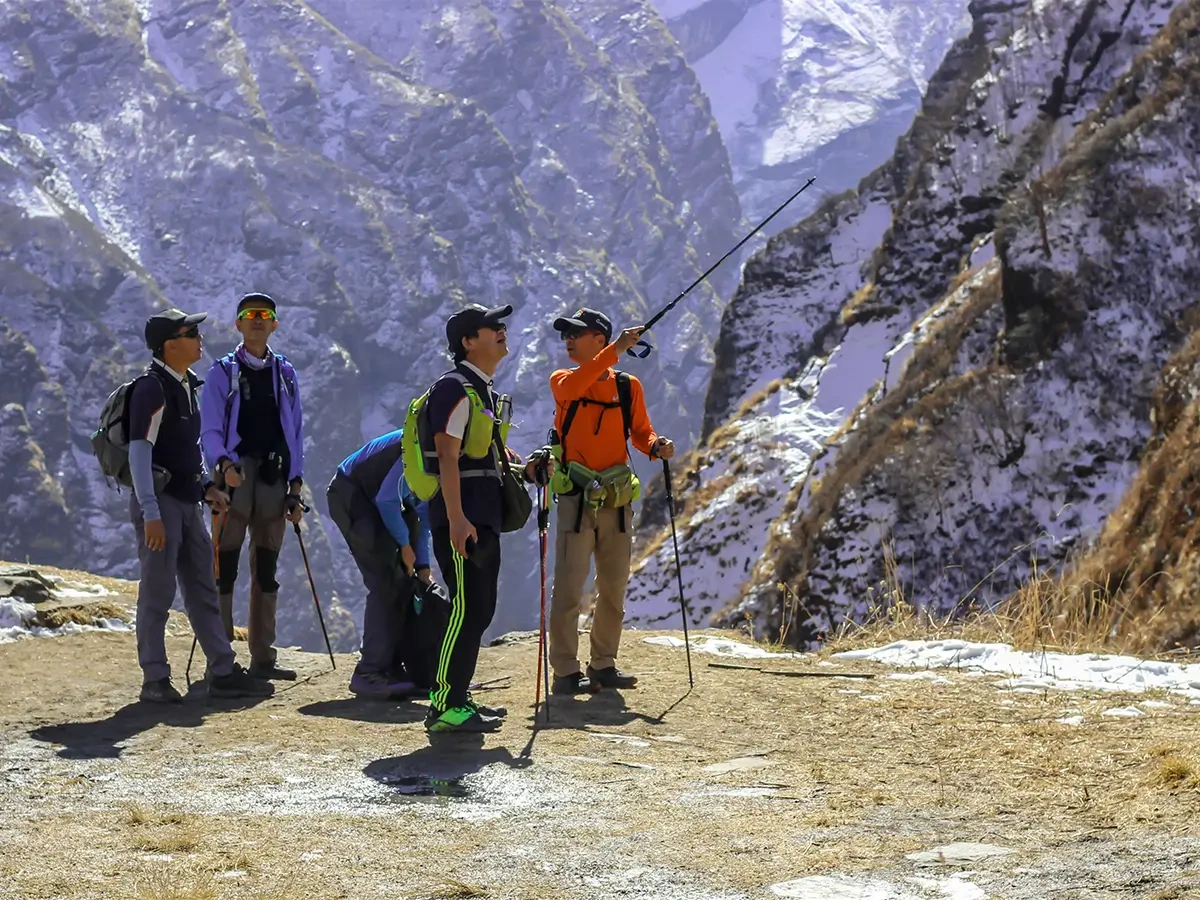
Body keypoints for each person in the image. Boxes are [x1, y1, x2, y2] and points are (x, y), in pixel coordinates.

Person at [128, 308, 275, 703]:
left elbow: (183, 450)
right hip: (159, 504)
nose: (199, 338)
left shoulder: (186, 385)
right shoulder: (151, 389)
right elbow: (139, 453)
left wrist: (206, 486)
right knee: (157, 592)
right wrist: (150, 513)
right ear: (170, 345)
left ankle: (223, 669)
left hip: (185, 501)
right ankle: (155, 680)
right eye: (191, 332)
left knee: (202, 588)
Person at [420, 303, 545, 733]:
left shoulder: (481, 390)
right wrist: (456, 519)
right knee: (466, 608)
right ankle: (444, 704)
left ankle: (458, 696)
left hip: (481, 517)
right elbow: (448, 456)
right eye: (493, 327)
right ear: (468, 341)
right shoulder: (454, 388)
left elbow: (489, 454)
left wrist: (526, 469)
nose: (502, 331)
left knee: (479, 609)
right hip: (465, 521)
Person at [547, 308, 674, 694]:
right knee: (570, 586)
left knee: (614, 585)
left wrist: (655, 445)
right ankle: (566, 670)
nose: (568, 339)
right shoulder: (564, 380)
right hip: (576, 497)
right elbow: (573, 389)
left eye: (576, 333)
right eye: (566, 334)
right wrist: (615, 350)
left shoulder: (626, 386)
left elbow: (639, 431)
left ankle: (603, 663)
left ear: (598, 340)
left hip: (617, 498)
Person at [199, 292, 304, 681]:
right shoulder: (221, 373)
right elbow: (208, 429)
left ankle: (263, 658)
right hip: (234, 479)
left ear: (274, 324)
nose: (257, 320)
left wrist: (296, 485)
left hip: (275, 480)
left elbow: (295, 432)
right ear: (238, 325)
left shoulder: (286, 375)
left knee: (267, 566)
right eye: (249, 315)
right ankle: (222, 658)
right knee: (223, 566)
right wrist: (223, 464)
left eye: (264, 315)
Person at [327, 429, 439, 699]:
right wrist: (404, 545)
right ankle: (369, 673)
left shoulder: (439, 452)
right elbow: (387, 499)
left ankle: (392, 666)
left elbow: (421, 512)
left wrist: (422, 564)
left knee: (405, 579)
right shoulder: (418, 444)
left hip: (376, 498)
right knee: (384, 580)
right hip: (352, 494)